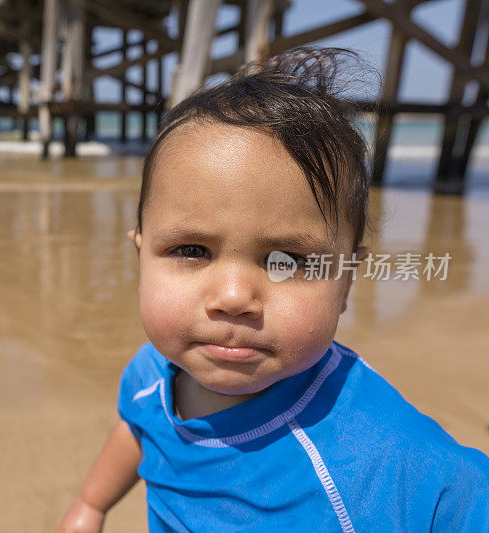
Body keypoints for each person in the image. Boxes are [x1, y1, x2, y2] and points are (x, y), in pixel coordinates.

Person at [56, 47, 489, 532]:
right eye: (192, 250)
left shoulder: (387, 456)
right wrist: (90, 506)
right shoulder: (151, 375)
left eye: (288, 261)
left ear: (345, 280)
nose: (235, 297)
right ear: (141, 258)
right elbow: (136, 430)